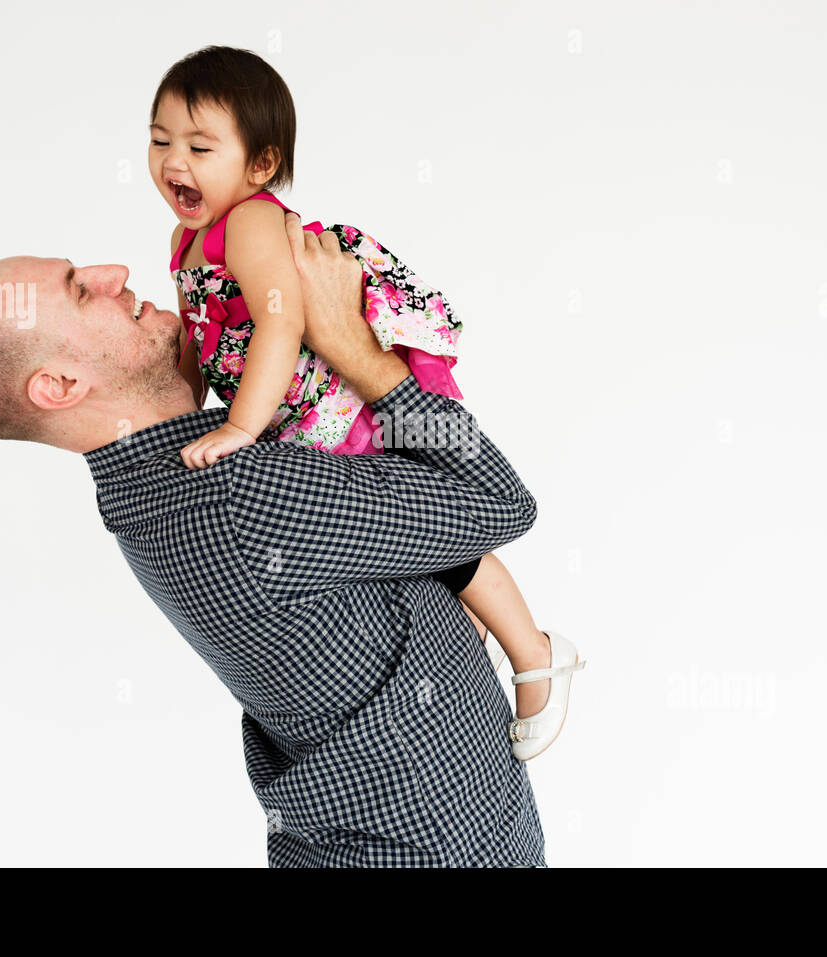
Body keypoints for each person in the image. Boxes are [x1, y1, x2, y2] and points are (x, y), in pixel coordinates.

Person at [0, 215, 579, 865]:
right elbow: (499, 502)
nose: (114, 275)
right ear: (61, 386)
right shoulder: (237, 494)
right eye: (78, 289)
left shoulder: (144, 490)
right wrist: (353, 344)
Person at [146, 45, 584, 752]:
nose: (174, 161)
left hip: (336, 408)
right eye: (160, 139)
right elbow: (201, 341)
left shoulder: (251, 222)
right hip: (292, 424)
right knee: (394, 550)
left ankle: (536, 651)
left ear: (260, 166)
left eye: (200, 145)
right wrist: (183, 413)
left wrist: (240, 424)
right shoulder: (184, 237)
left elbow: (284, 316)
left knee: (443, 537)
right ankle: (468, 637)